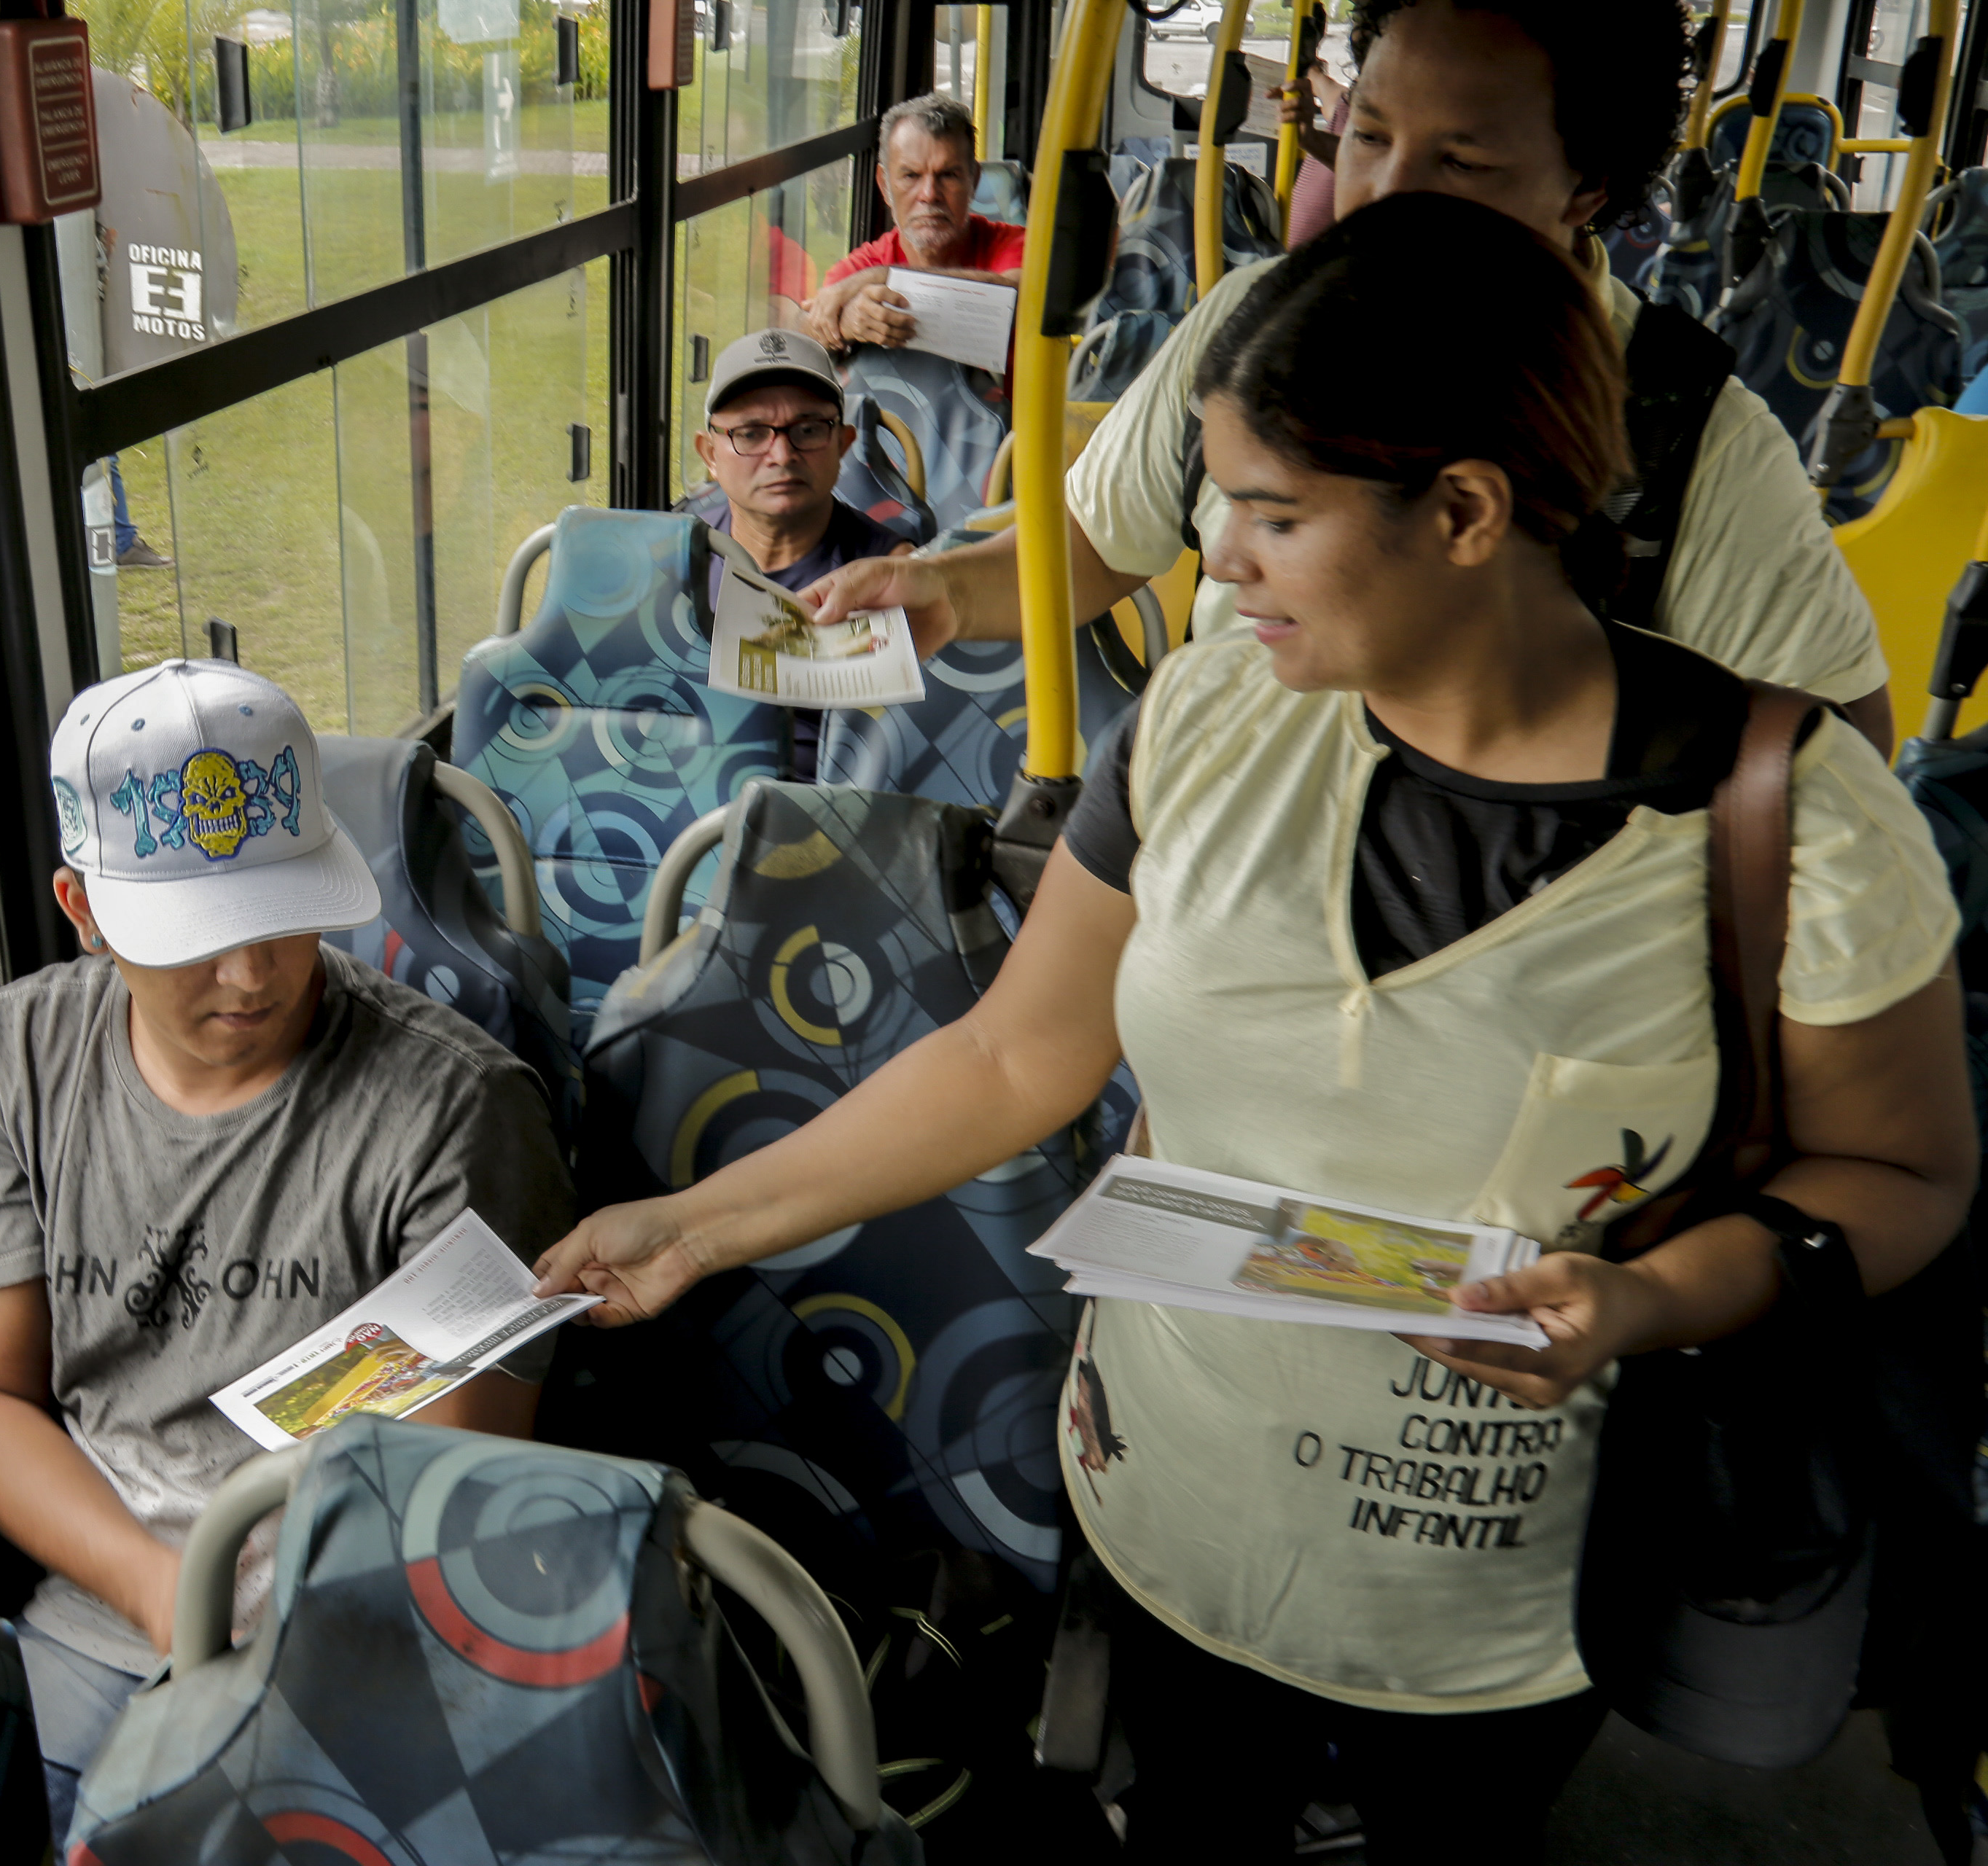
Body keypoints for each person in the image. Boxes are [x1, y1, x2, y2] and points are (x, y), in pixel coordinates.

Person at [536, 195, 1973, 1862]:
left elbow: (1896, 1169)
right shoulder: (1215, 713)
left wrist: (1653, 1292)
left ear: (1460, 511)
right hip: (1167, 1497)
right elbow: (1020, 1053)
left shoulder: (1788, 816)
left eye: (1271, 515)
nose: (1212, 560)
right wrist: (689, 1222)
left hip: (1494, 1595)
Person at [814, 0, 1897, 754]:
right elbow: (1097, 549)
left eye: (1461, 163)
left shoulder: (1682, 436)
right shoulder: (1251, 322)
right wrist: (943, 590)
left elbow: (1833, 747)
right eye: (1368, 134)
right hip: (1229, 872)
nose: (1385, 194)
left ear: (1588, 185)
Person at [0, 660, 573, 1846]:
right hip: (103, 1601)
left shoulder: (457, 1110)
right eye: (201, 934)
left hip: (356, 1626)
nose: (254, 974)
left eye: (281, 915)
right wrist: (152, 1589)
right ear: (83, 909)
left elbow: (447, 1508)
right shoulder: (14, 1062)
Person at [685, 327, 909, 778]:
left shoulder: (890, 576)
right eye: (750, 434)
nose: (782, 454)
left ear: (843, 444)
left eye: (808, 430)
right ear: (710, 454)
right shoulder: (668, 559)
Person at [803, 93, 1028, 354]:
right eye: (911, 176)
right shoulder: (863, 266)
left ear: (974, 182)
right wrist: (845, 322)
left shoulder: (1015, 245)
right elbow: (803, 326)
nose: (930, 194)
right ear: (885, 185)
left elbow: (1016, 294)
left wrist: (888, 277)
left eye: (948, 175)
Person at [1279, 46, 1349, 246]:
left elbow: (1375, 163)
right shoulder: (1348, 105)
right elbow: (1326, 89)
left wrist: (1313, 140)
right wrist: (1310, 71)